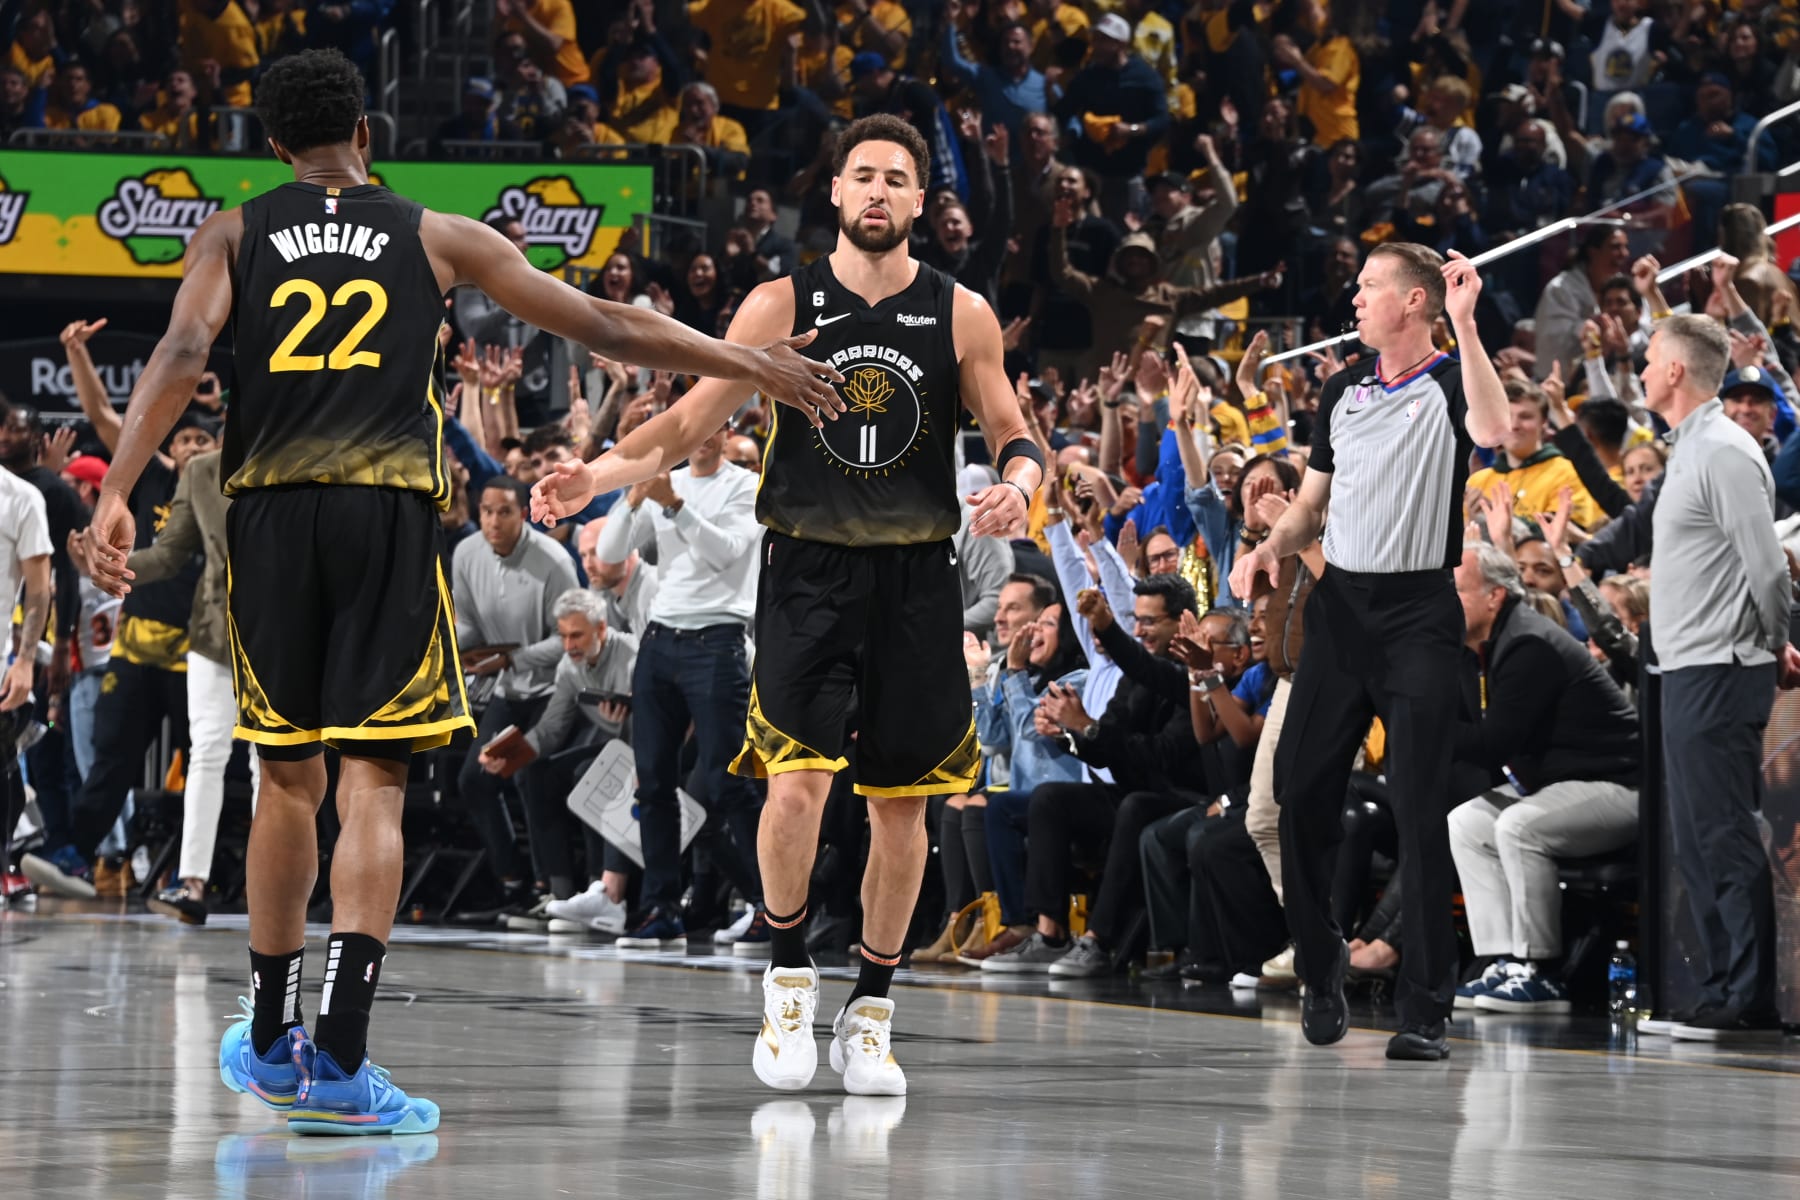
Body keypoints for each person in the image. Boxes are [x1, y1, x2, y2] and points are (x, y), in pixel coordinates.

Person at [69, 48, 838, 1136]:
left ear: (276, 147)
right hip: (382, 514)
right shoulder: (433, 234)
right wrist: (749, 364)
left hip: (271, 517)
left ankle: (275, 1037)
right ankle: (340, 1057)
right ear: (368, 138)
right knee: (371, 780)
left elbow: (187, 347)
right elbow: (606, 325)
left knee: (283, 776)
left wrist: (123, 491)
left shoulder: (235, 231)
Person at [533, 113, 1042, 1097]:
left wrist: (1021, 485)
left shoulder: (961, 312)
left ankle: (873, 1012)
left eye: (899, 177)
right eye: (864, 176)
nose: (880, 192)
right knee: (796, 787)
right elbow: (687, 420)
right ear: (839, 194)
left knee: (904, 808)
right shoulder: (779, 304)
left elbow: (1018, 432)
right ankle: (786, 982)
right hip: (808, 574)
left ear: (922, 203)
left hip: (917, 580)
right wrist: (594, 477)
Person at [1231, 243, 1510, 1063]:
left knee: (1419, 807)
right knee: (1295, 793)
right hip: (1341, 610)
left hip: (1419, 611)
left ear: (1416, 301)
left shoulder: (1452, 379)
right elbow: (1310, 505)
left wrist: (1467, 324)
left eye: (1369, 286)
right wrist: (1267, 549)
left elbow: (1494, 431)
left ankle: (1426, 1006)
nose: (1354, 298)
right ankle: (1322, 966)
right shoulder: (1341, 390)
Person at [1642, 315, 1798, 1043]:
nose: (1642, 368)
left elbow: (1767, 568)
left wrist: (1773, 643)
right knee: (1698, 838)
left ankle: (1747, 997)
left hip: (1719, 667)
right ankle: (1717, 989)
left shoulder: (1726, 451)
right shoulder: (1692, 448)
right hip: (1687, 667)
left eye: (1648, 358)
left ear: (1676, 370)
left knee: (1724, 833)